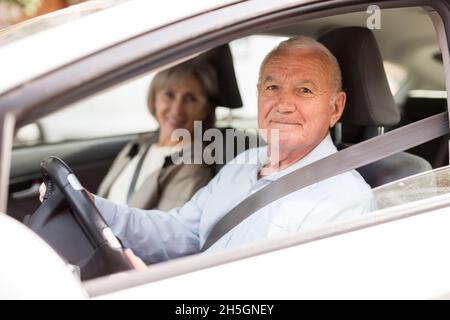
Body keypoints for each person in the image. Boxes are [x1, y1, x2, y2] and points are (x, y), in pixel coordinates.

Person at [41, 36, 376, 263]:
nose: (283, 104)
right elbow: (181, 232)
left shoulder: (345, 201)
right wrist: (94, 207)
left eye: (304, 90)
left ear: (335, 108)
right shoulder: (242, 163)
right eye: (273, 87)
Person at [96, 59, 219, 210]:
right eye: (169, 95)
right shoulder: (138, 145)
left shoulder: (194, 163)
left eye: (190, 99)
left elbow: (165, 229)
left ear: (204, 110)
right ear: (154, 99)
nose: (176, 110)